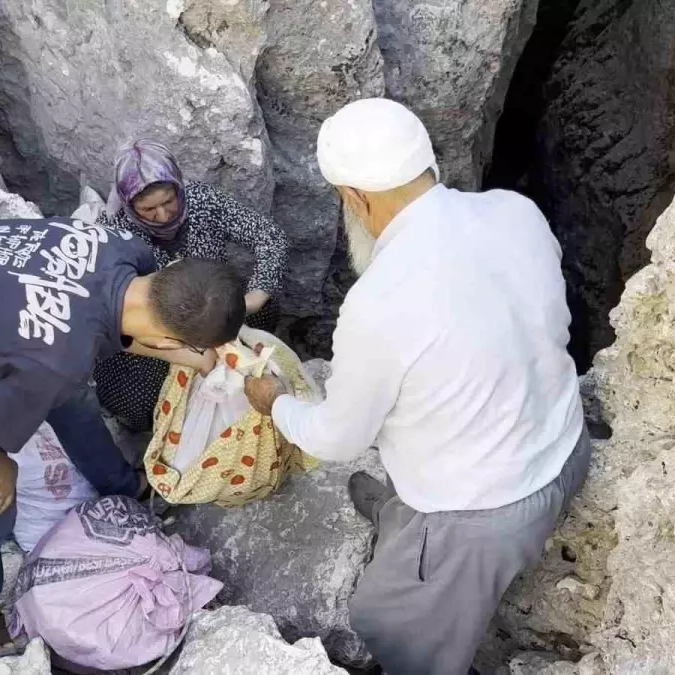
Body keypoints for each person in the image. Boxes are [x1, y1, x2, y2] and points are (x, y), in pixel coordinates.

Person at [244, 98, 592, 675]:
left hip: (487, 514)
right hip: (564, 445)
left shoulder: (379, 301)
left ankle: (422, 553)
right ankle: (401, 519)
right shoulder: (514, 211)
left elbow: (336, 438)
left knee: (383, 621)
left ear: (354, 198)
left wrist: (276, 401)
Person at [0, 216, 244, 664]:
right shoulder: (55, 357)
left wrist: (199, 362)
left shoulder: (124, 249)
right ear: (167, 335)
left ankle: (122, 486)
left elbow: (119, 328)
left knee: (74, 403)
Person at [93, 139, 289, 432]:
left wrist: (254, 297)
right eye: (148, 209)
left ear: (178, 187)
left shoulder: (202, 201)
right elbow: (110, 317)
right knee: (135, 399)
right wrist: (181, 350)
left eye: (168, 201)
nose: (162, 215)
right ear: (129, 203)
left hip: (209, 310)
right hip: (154, 335)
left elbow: (269, 237)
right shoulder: (115, 234)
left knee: (264, 314)